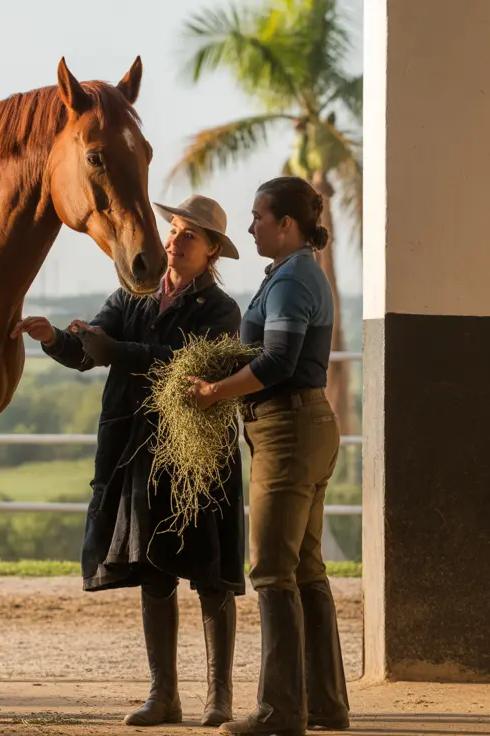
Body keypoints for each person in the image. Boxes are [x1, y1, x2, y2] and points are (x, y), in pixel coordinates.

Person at [13, 194, 246, 727]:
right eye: (174, 231)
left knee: (211, 575)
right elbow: (90, 348)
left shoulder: (220, 309)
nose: (174, 241)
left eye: (190, 235)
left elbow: (183, 366)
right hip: (138, 450)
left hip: (199, 456)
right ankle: (163, 695)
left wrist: (115, 350)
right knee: (154, 568)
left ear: (211, 251)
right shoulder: (133, 293)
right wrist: (54, 339)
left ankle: (219, 698)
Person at [186, 176, 350, 736]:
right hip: (304, 425)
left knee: (273, 572)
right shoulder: (296, 273)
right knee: (305, 567)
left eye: (258, 217)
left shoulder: (291, 280)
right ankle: (326, 703)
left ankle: (280, 711)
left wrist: (214, 391)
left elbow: (278, 360)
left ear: (286, 224)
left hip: (286, 428)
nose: (250, 225)